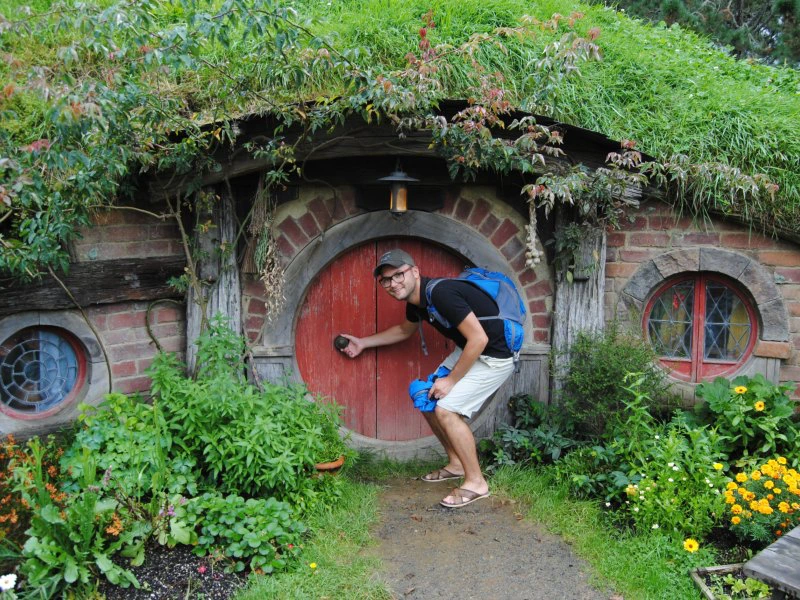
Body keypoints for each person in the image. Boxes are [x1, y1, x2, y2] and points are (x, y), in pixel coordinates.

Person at [339, 249, 516, 508]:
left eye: (398, 275)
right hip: (472, 348)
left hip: (496, 354)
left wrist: (451, 381)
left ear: (415, 271)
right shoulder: (416, 302)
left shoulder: (441, 293)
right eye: (386, 280)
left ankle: (477, 482)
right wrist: (363, 343)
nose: (392, 283)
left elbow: (480, 338)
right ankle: (456, 463)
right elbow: (403, 330)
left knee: (446, 409)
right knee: (426, 396)